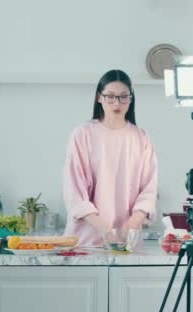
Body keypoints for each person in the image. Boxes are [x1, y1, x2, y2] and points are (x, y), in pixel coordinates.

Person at [63, 70, 158, 247]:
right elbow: (74, 193)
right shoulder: (83, 134)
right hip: (87, 242)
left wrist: (131, 224)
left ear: (131, 98)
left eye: (123, 97)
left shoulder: (142, 138)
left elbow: (149, 191)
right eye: (110, 96)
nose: (117, 103)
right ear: (99, 97)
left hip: (127, 242)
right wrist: (106, 231)